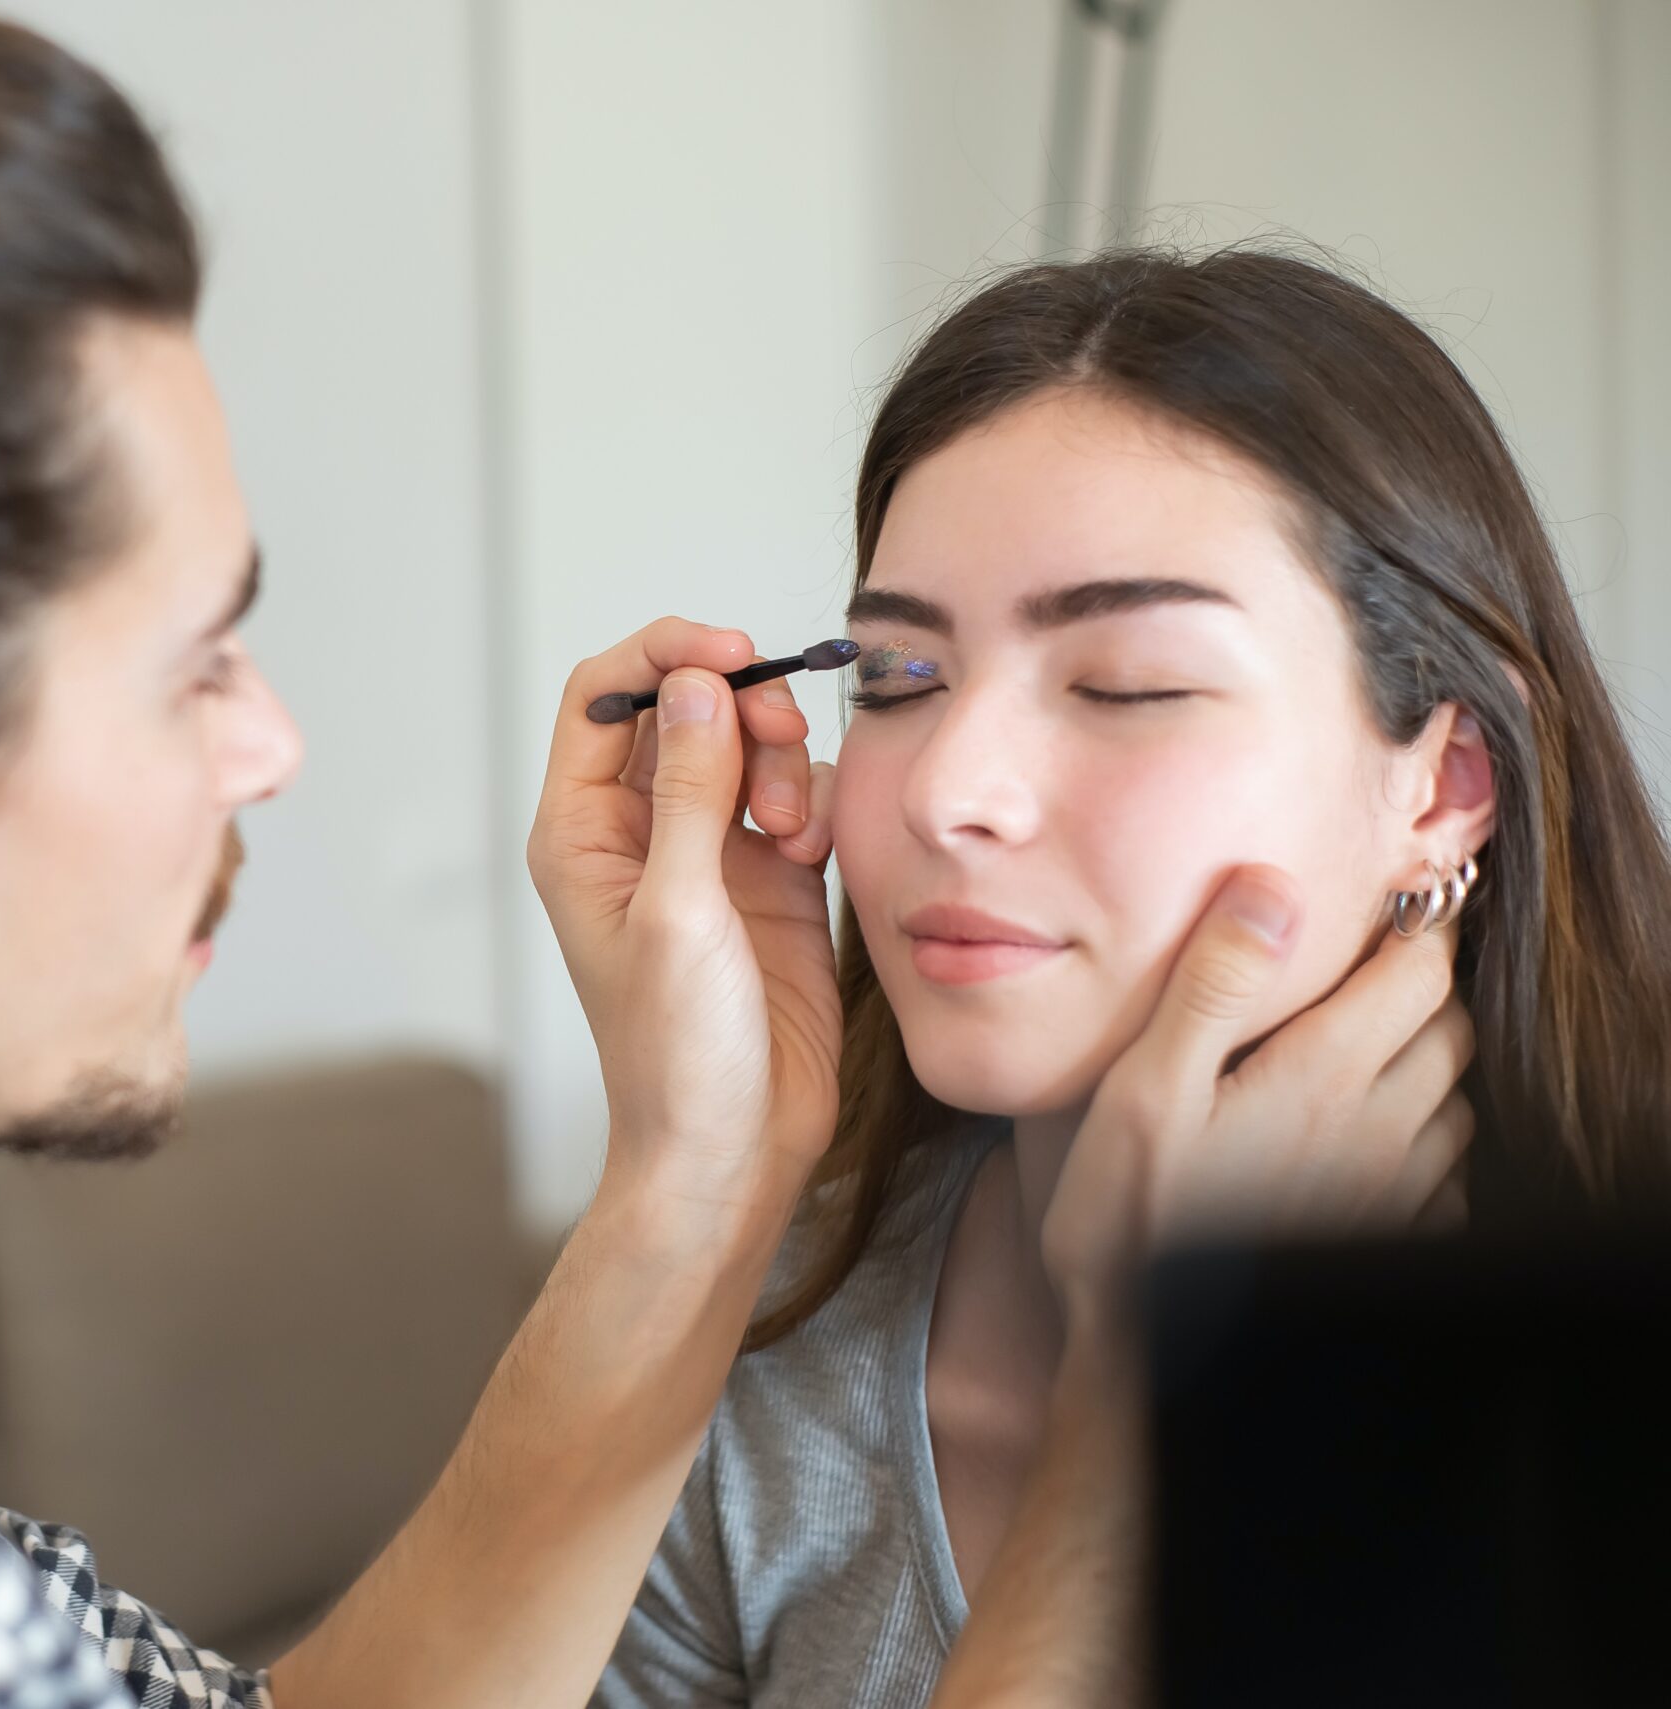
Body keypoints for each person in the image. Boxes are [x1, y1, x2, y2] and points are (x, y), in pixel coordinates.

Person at [0, 4, 1481, 1704]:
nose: (274, 749)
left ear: (1439, 786)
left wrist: (700, 1165)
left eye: (1131, 677)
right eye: (191, 666)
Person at [593, 247, 1671, 1709]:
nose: (948, 791)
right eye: (901, 679)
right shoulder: (766, 1344)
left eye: (1126, 684)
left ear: (1446, 783)